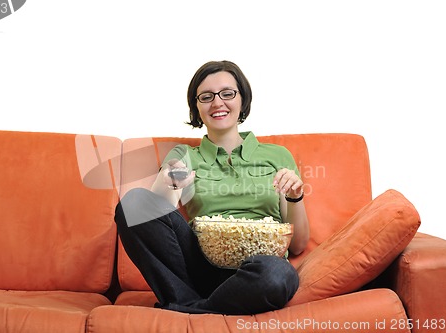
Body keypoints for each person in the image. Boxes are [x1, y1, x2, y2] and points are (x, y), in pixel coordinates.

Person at [114, 60, 310, 315]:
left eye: (227, 94)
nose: (217, 103)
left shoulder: (277, 156)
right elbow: (157, 216)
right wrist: (171, 184)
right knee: (134, 204)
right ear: (196, 107)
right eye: (206, 97)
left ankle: (191, 308)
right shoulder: (185, 155)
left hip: (259, 269)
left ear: (242, 100)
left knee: (276, 275)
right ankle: (206, 307)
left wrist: (295, 197)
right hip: (199, 267)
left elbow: (297, 245)